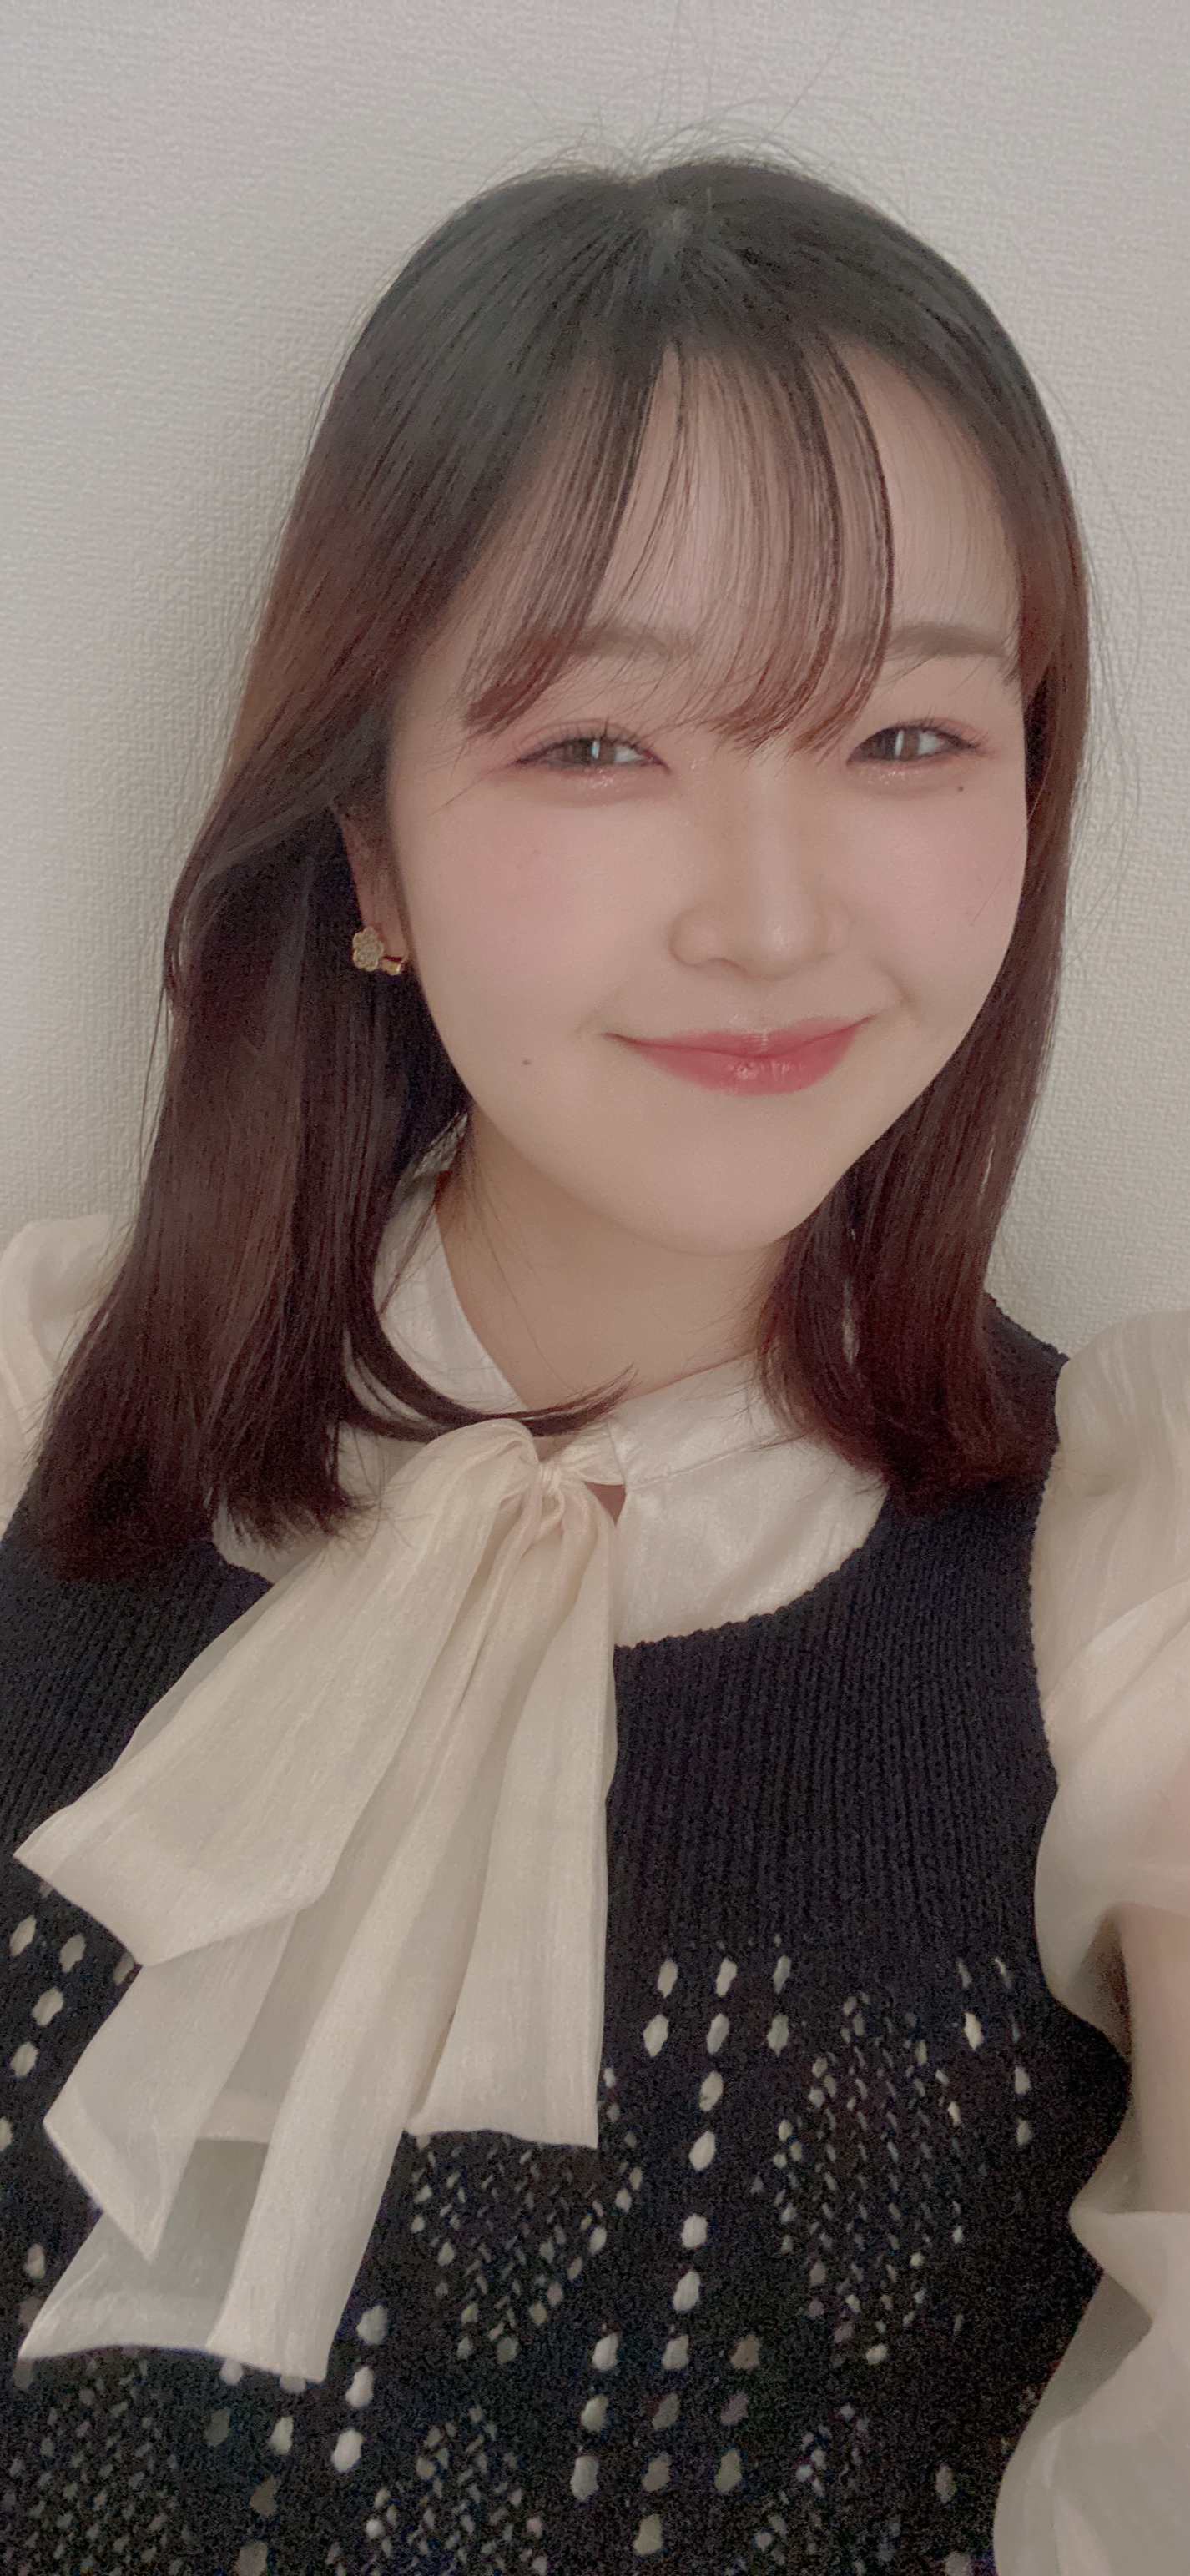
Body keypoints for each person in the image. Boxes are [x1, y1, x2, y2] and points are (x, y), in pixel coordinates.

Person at [0, 149, 1185, 2576]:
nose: (769, 918)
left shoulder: (1127, 1577)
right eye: (597, 746)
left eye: (905, 740)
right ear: (371, 850)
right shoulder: (29, 1400)